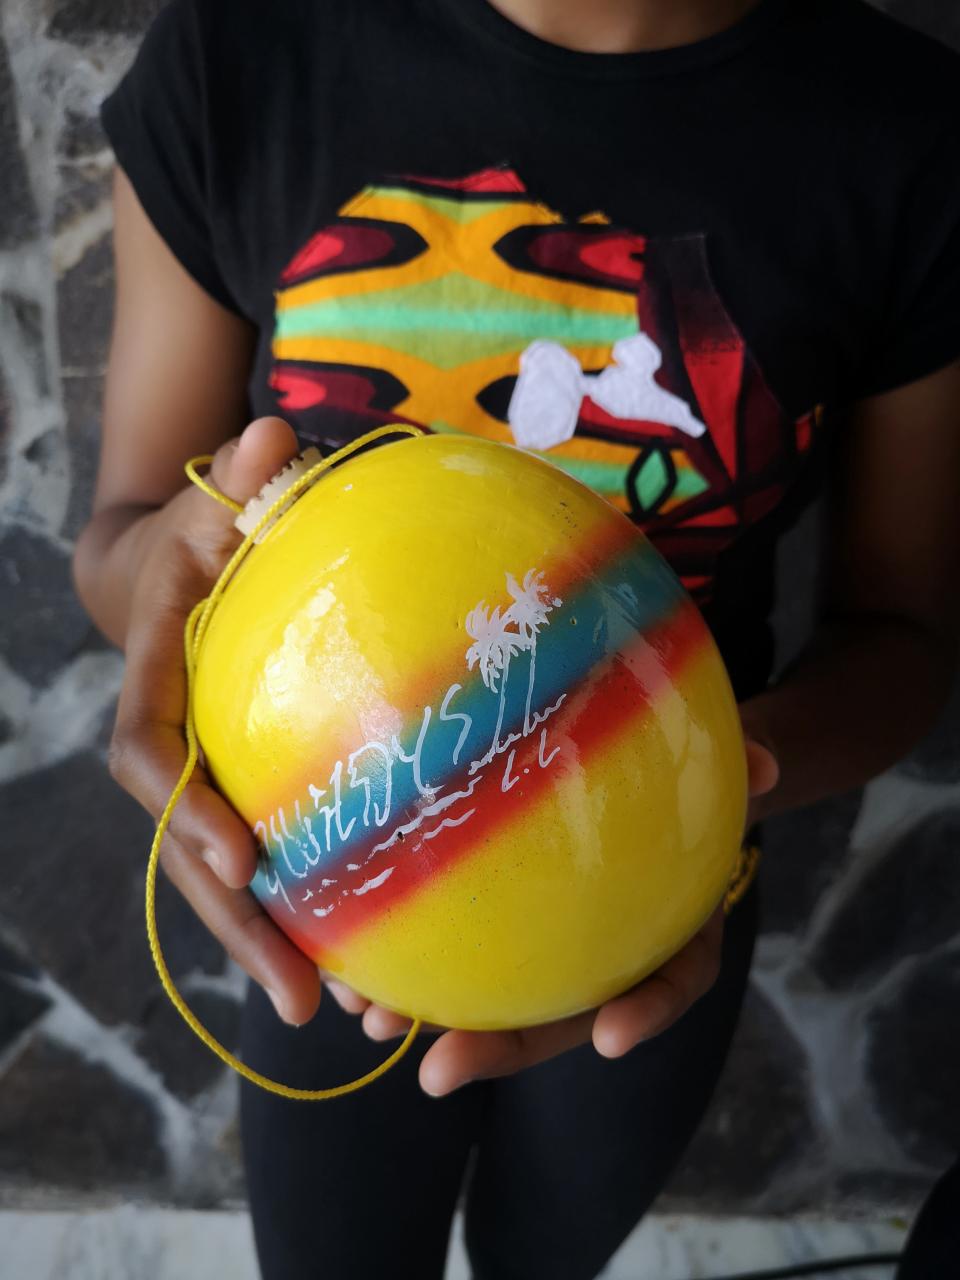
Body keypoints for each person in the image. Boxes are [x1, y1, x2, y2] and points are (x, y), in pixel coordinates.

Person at [73, 0, 960, 1276]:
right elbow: (119, 535)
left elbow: (903, 633)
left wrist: (709, 776)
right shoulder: (243, 50)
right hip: (327, 884)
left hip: (657, 894)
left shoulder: (910, 136)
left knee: (548, 1252)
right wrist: (162, 564)